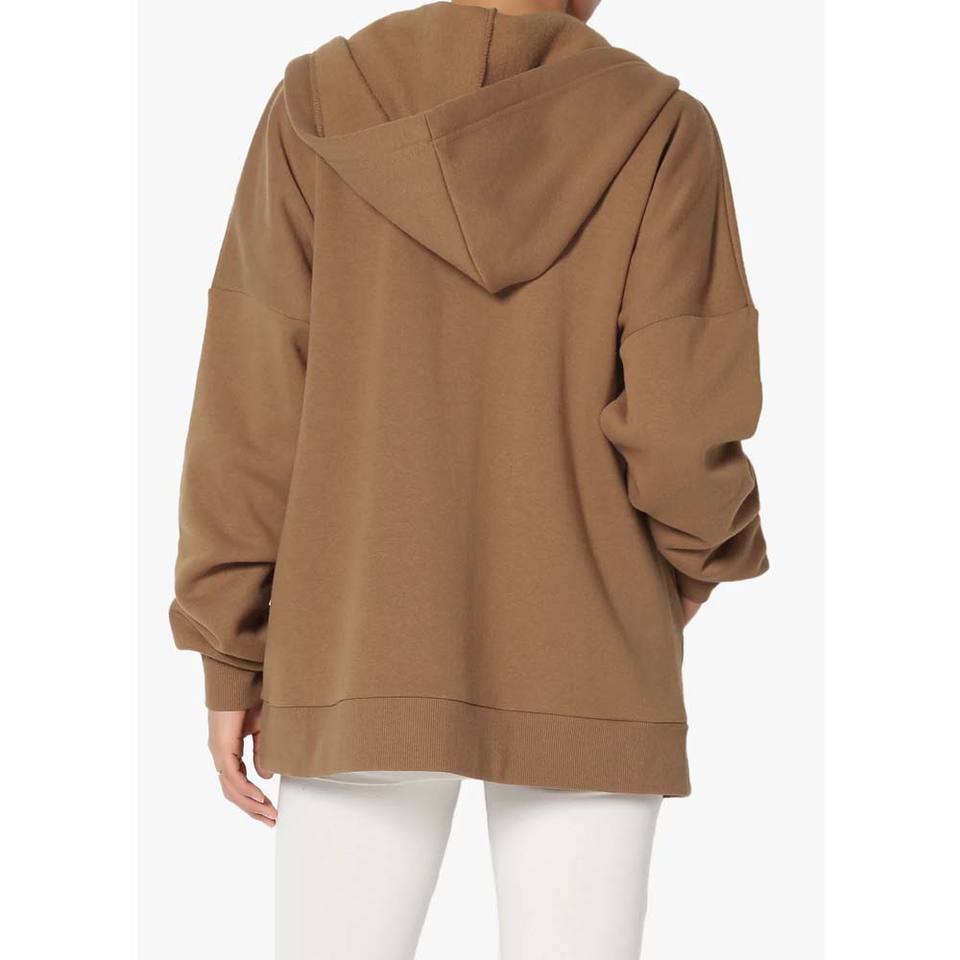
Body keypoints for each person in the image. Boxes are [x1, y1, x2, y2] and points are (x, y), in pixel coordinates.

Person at [169, 0, 768, 956]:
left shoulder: (317, 105)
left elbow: (251, 400)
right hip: (590, 646)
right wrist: (700, 559)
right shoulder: (660, 128)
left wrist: (228, 647)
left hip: (356, 645)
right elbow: (680, 417)